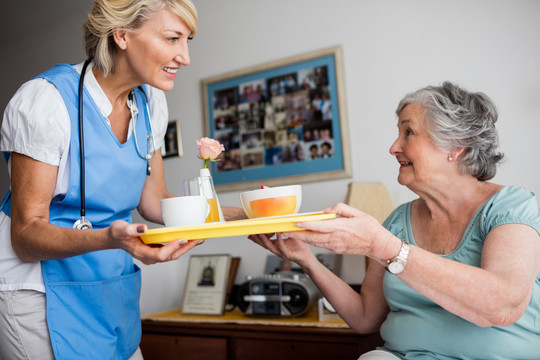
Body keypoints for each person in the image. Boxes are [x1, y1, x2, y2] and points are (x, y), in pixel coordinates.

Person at [0, 1, 245, 359]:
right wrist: (112, 237)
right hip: (36, 287)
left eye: (187, 40)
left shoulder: (150, 103)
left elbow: (154, 201)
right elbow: (25, 236)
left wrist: (246, 216)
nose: (185, 56)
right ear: (122, 35)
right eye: (173, 38)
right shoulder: (46, 101)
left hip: (107, 277)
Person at [249, 82, 540, 359]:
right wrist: (307, 260)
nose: (393, 147)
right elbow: (364, 318)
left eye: (408, 132)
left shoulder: (511, 207)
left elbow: (504, 304)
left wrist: (389, 249)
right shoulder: (399, 221)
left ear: (455, 146)